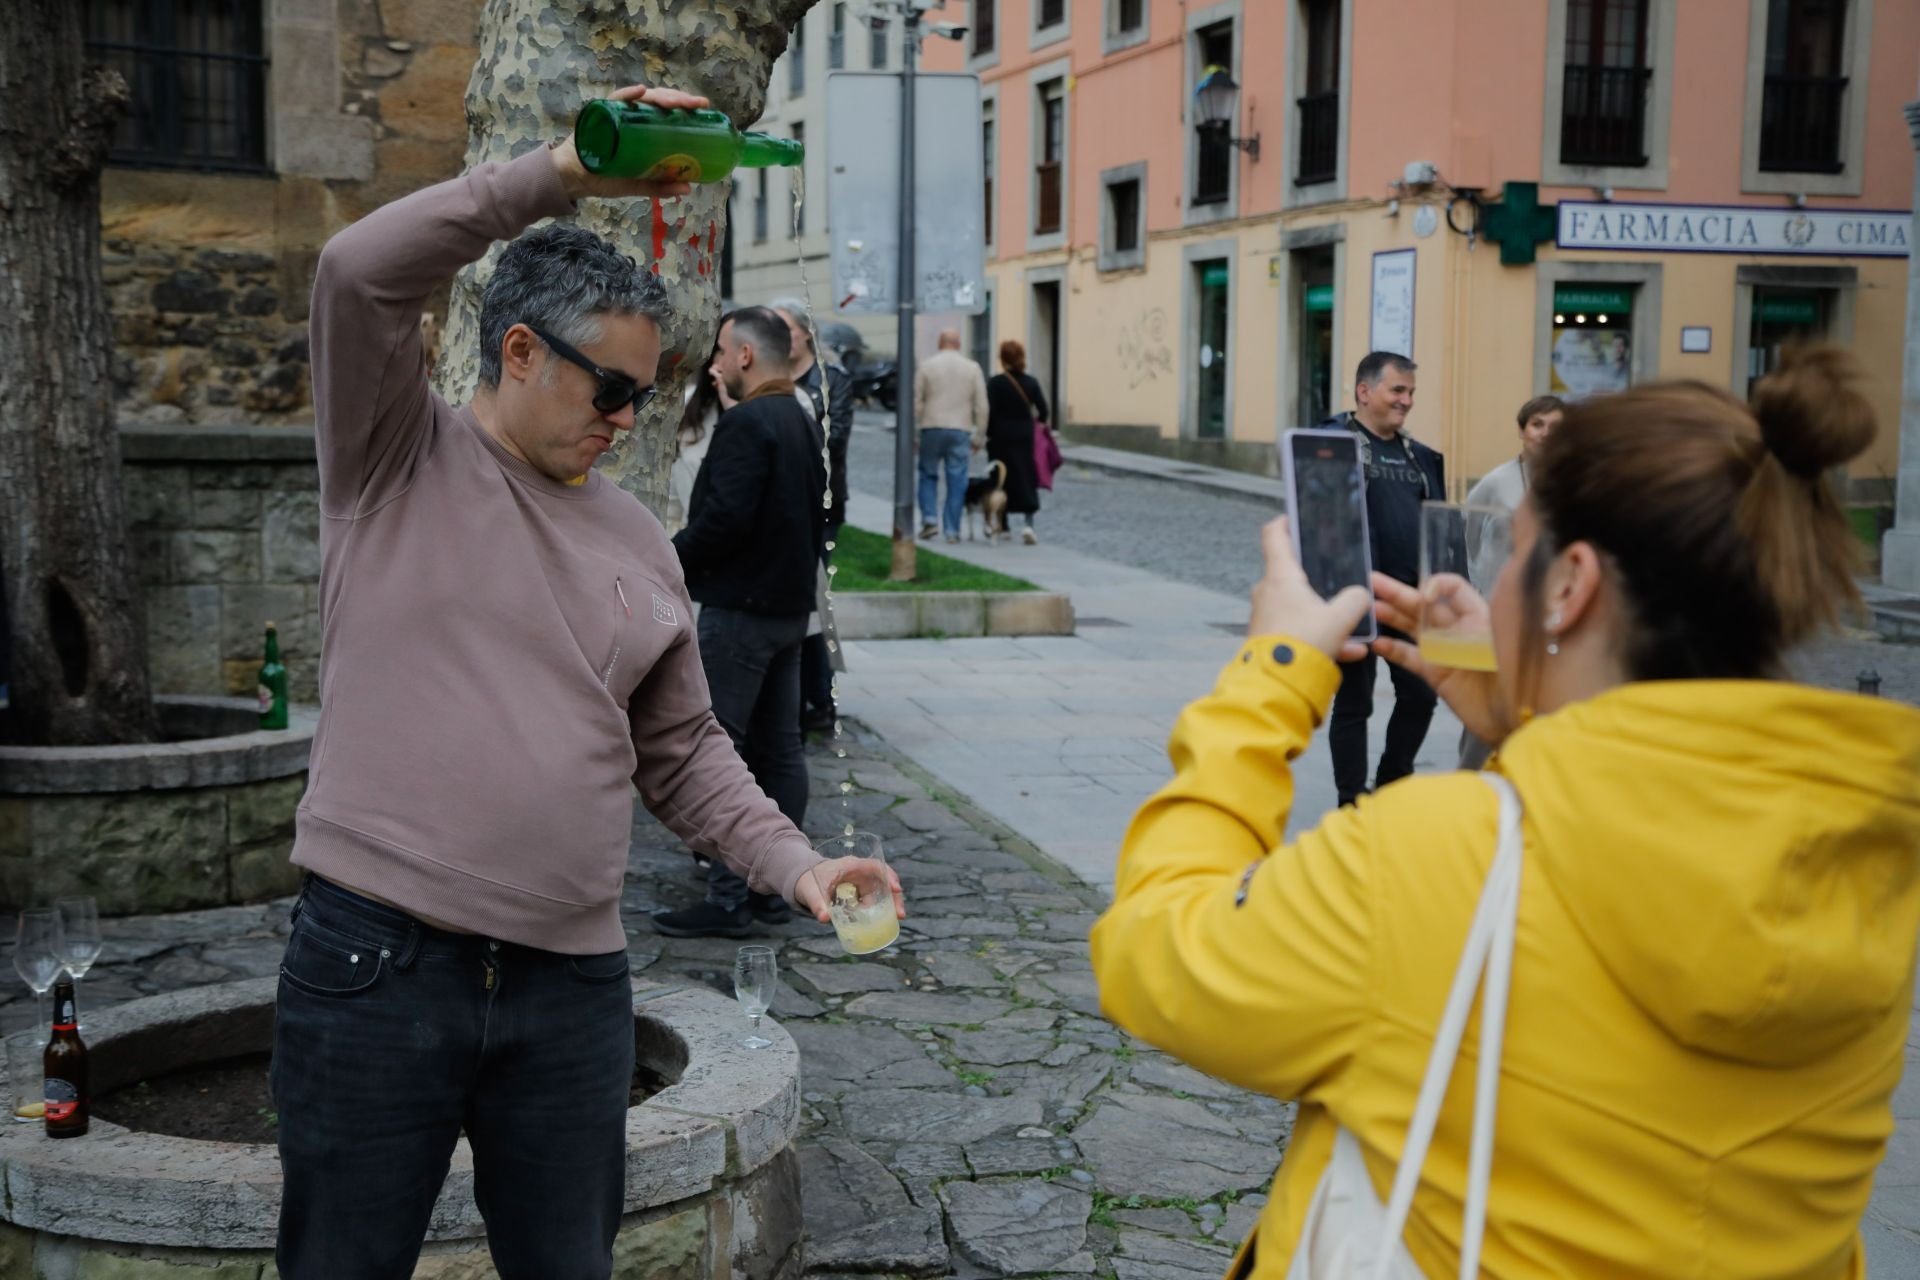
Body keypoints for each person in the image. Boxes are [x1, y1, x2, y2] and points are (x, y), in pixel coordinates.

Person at [1092, 346, 1920, 1278]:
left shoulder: (1435, 857)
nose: (1495, 584)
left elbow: (1158, 953)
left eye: (1514, 551)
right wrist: (1530, 712)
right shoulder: (1867, 856)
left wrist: (1268, 679)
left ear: (1568, 584)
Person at [273, 82, 894, 1280]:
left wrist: (797, 863)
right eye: (609, 387)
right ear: (517, 350)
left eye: (651, 392)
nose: (627, 416)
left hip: (570, 991)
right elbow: (356, 274)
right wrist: (562, 169)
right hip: (378, 966)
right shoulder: (392, 453)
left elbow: (685, 749)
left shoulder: (632, 534)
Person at [654, 306, 829, 939]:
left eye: (723, 350)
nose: (717, 362)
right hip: (787, 612)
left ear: (747, 357)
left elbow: (723, 522)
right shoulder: (800, 416)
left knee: (720, 751)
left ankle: (729, 896)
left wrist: (661, 555)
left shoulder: (749, 422)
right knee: (781, 748)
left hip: (741, 613)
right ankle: (780, 887)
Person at [1316, 351, 1443, 807]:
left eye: (1410, 392)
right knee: (1355, 703)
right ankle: (1351, 799)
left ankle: (1391, 785)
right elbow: (1318, 524)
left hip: (1409, 602)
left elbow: (1436, 525)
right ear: (1364, 391)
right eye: (1398, 390)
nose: (1406, 401)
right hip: (1356, 599)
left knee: (1421, 696)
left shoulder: (1421, 457)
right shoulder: (1331, 446)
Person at [1457, 394, 1562, 767]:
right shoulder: (1494, 483)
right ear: (1522, 430)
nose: (1546, 434)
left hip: (1551, 615)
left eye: (1556, 427)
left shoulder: (1574, 482)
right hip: (1500, 611)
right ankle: (1471, 778)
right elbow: (1470, 538)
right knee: (1489, 704)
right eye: (1537, 425)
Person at [768, 297, 853, 733]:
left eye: (785, 327)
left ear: (805, 332)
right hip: (774, 503)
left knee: (815, 598)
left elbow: (832, 439)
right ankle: (793, 696)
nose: (779, 336)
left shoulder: (830, 378)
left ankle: (820, 697)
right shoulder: (769, 376)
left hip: (820, 503)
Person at [913, 329, 990, 543]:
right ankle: (952, 529)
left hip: (931, 426)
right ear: (959, 343)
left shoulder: (927, 366)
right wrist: (979, 436)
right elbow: (982, 406)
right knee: (957, 480)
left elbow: (916, 402)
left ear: (940, 342)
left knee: (928, 474)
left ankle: (929, 519)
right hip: (960, 428)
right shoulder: (972, 368)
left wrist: (913, 432)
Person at [985, 339, 1048, 545]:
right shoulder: (1031, 383)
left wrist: (988, 432)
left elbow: (989, 412)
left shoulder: (995, 383)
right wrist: (1036, 425)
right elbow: (1044, 411)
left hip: (1001, 436)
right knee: (1026, 476)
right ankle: (1029, 524)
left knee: (1001, 479)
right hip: (1024, 436)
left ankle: (1003, 525)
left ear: (1002, 359)